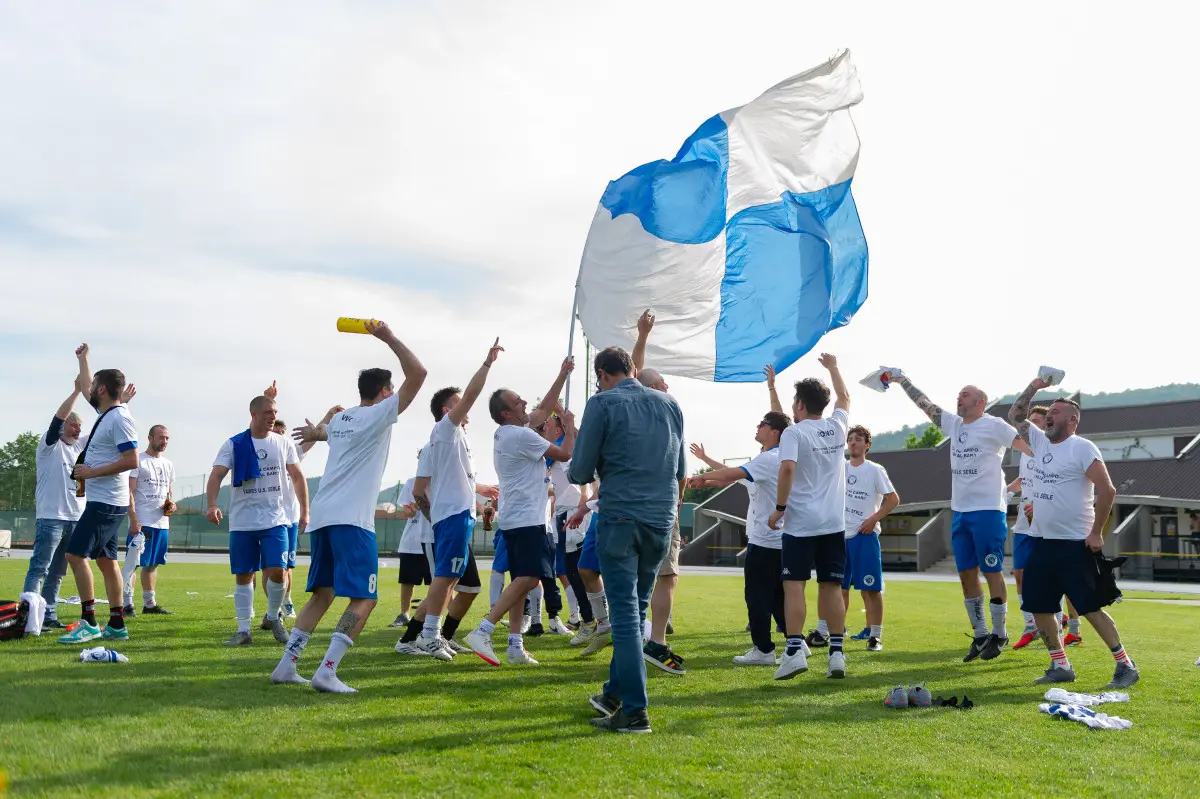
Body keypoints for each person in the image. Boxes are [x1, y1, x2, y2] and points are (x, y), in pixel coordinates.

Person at [271, 320, 426, 693]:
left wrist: (316, 431)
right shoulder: (379, 414)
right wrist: (387, 337)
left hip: (324, 517)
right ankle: (327, 670)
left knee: (322, 594)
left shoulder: (342, 418)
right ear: (386, 392)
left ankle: (286, 666)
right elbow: (419, 373)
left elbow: (327, 433)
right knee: (365, 598)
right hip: (352, 522)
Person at [568, 346, 686, 735]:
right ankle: (613, 694)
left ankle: (635, 712)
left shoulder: (601, 403)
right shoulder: (670, 405)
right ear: (632, 369)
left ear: (601, 373)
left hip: (620, 517)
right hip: (660, 521)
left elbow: (580, 469)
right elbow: (681, 470)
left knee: (623, 617)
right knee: (634, 613)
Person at [1008, 380, 1138, 688]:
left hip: (1074, 545)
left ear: (1072, 420)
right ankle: (1060, 665)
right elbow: (1015, 414)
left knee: (1090, 608)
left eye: (1056, 412)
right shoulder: (1038, 442)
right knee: (1039, 606)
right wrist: (1036, 385)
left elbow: (1107, 489)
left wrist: (1096, 533)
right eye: (1048, 411)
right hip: (1040, 542)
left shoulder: (1082, 447)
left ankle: (1125, 666)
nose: (1049, 415)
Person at [890, 372, 1028, 662]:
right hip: (961, 510)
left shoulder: (994, 425)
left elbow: (1029, 448)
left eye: (965, 394)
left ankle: (1000, 633)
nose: (959, 397)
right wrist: (901, 380)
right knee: (966, 574)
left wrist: (1042, 479)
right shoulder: (954, 425)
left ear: (980, 402)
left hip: (989, 509)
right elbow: (924, 404)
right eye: (959, 394)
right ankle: (979, 634)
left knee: (991, 570)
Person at [465, 359, 576, 665]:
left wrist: (562, 374)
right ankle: (484, 629)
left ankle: (515, 646)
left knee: (520, 582)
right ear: (506, 413)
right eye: (518, 401)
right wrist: (568, 428)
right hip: (528, 520)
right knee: (530, 578)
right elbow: (565, 453)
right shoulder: (523, 436)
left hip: (515, 519)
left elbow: (542, 410)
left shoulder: (508, 432)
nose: (525, 402)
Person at [409, 340, 503, 657]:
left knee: (454, 581)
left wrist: (481, 490)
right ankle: (428, 635)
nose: (467, 408)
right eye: (459, 403)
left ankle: (432, 635)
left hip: (458, 516)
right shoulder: (445, 429)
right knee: (446, 577)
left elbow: (455, 479)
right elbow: (419, 490)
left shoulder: (456, 438)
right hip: (450, 517)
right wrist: (487, 364)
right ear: (449, 410)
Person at [767, 354, 851, 680]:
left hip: (801, 524)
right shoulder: (837, 425)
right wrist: (833, 367)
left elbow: (787, 468)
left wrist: (780, 508)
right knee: (831, 587)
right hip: (833, 524)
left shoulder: (795, 433)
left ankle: (793, 652)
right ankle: (837, 655)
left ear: (800, 405)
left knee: (794, 586)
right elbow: (845, 397)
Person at [688, 410, 791, 666]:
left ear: (774, 432)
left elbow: (732, 474)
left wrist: (700, 475)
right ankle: (795, 643)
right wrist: (706, 466)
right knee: (778, 596)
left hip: (765, 541)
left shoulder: (769, 459)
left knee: (756, 595)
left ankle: (763, 650)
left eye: (763, 424)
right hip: (779, 541)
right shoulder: (772, 460)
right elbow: (733, 476)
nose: (758, 427)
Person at [207, 392, 309, 646]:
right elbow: (217, 475)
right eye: (268, 413)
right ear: (253, 415)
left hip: (276, 519)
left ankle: (273, 616)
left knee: (277, 572)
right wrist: (211, 504)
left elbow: (297, 476)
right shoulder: (234, 444)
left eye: (275, 413)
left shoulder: (282, 443)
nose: (273, 417)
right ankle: (243, 631)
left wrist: (305, 511)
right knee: (243, 575)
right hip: (243, 522)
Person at [58, 345, 142, 645]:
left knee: (74, 555)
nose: (89, 388)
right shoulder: (109, 413)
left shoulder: (119, 418)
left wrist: (91, 473)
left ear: (103, 389)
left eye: (94, 386)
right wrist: (84, 361)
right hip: (107, 502)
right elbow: (85, 387)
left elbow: (133, 461)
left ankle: (89, 621)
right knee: (107, 563)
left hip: (106, 503)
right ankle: (117, 624)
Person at [629, 311, 686, 675]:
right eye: (663, 381)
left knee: (634, 576)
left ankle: (638, 637)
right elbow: (680, 468)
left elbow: (634, 373)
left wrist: (643, 335)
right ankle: (656, 642)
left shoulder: (625, 410)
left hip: (631, 504)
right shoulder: (668, 409)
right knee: (665, 575)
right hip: (661, 504)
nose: (667, 385)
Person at [25, 346, 92, 630]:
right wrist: (76, 391)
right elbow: (57, 420)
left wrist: (85, 365)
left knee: (59, 571)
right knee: (39, 568)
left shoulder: (79, 447)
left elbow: (103, 424)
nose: (77, 430)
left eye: (79, 426)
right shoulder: (48, 446)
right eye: (73, 425)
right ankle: (29, 617)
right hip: (51, 518)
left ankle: (49, 615)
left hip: (75, 518)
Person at [268, 393, 343, 619]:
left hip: (288, 518)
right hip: (267, 518)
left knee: (285, 568)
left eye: (283, 434)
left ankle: (286, 601)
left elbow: (311, 438)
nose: (281, 438)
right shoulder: (262, 453)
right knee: (268, 568)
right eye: (276, 434)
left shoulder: (292, 454)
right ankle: (271, 611)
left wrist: (329, 416)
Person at [840, 425, 899, 652]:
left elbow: (893, 499)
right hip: (839, 535)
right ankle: (835, 631)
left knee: (871, 589)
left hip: (864, 535)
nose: (853, 442)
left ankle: (875, 636)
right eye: (850, 439)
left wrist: (873, 519)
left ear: (867, 445)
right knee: (837, 588)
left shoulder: (875, 470)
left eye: (858, 439)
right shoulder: (840, 469)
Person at [121, 424, 176, 617]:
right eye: (161, 437)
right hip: (143, 522)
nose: (164, 441)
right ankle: (127, 605)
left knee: (153, 564)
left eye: (167, 438)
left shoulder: (168, 464)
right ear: (150, 438)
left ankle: (149, 604)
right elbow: (129, 492)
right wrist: (134, 519)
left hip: (161, 523)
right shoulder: (139, 461)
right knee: (133, 563)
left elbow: (168, 492)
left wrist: (171, 505)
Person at [541, 410, 585, 629]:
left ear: (558, 430)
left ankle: (582, 616)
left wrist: (565, 419)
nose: (543, 428)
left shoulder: (559, 448)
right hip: (563, 513)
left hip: (570, 513)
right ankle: (578, 615)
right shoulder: (565, 446)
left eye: (547, 425)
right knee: (564, 570)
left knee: (572, 569)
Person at [390, 474, 430, 628]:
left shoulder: (444, 479)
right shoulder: (411, 482)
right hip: (411, 542)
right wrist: (411, 511)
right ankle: (404, 614)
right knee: (407, 581)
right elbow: (406, 512)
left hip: (433, 538)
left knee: (435, 582)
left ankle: (429, 616)